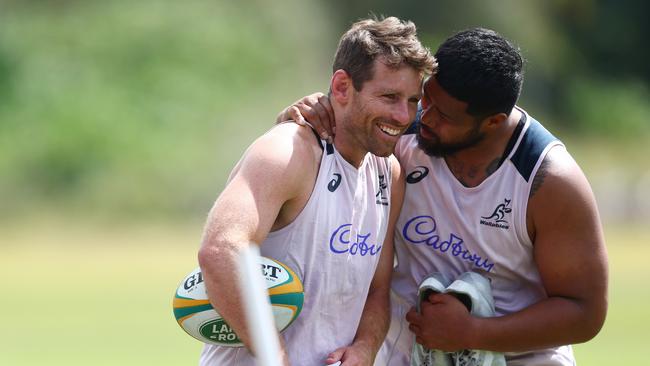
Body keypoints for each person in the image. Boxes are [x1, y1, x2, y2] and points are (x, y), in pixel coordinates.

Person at [276, 27, 608, 365]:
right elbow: (336, 132)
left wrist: (472, 333)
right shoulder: (403, 131)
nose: (421, 118)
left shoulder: (549, 181)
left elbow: (585, 312)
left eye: (444, 115)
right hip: (410, 349)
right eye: (425, 99)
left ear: (493, 122)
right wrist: (308, 115)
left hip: (520, 356)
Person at [198, 16, 436, 366]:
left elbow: (377, 289)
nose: (403, 116)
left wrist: (366, 348)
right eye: (389, 97)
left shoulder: (390, 174)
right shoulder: (286, 152)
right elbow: (220, 250)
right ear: (341, 87)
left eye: (412, 100)